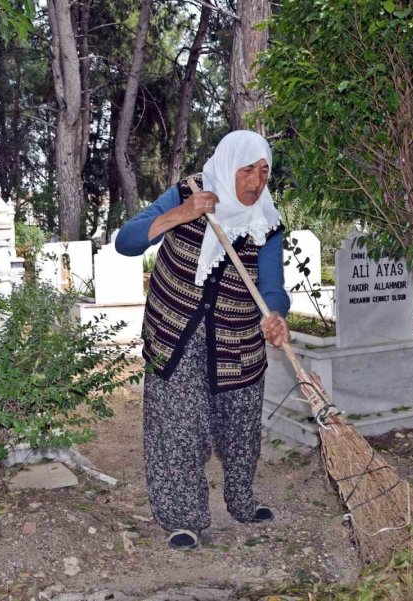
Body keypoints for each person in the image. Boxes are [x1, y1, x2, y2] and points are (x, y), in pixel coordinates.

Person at [115, 130, 291, 551]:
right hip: (177, 333)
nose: (256, 182)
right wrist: (181, 214)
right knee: (178, 428)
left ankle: (241, 501)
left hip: (236, 340)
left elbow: (273, 285)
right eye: (246, 170)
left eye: (264, 171)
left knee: (240, 427)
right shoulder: (188, 192)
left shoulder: (266, 221)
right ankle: (183, 518)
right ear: (228, 166)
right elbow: (126, 241)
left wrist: (276, 315)